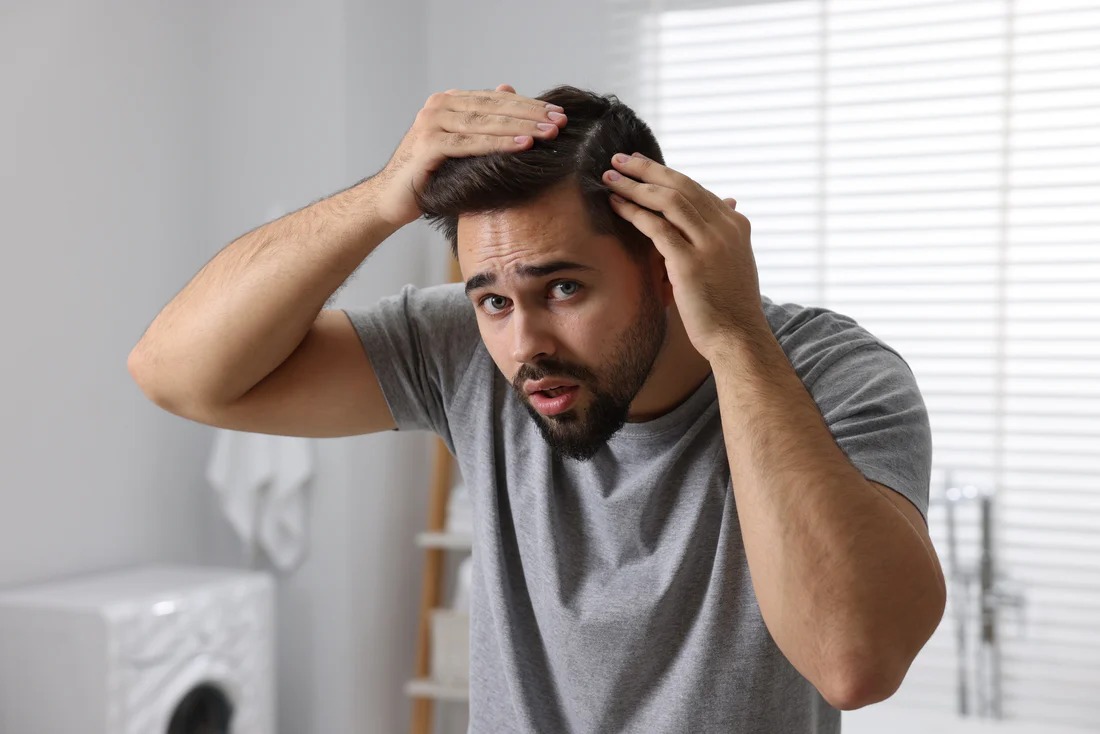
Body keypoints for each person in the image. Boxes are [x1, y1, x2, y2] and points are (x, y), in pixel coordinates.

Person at [129, 83, 947, 733]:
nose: (525, 345)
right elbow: (178, 375)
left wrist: (733, 334)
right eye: (491, 298)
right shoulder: (465, 349)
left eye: (564, 287)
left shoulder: (831, 372)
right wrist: (383, 198)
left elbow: (855, 662)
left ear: (664, 267)